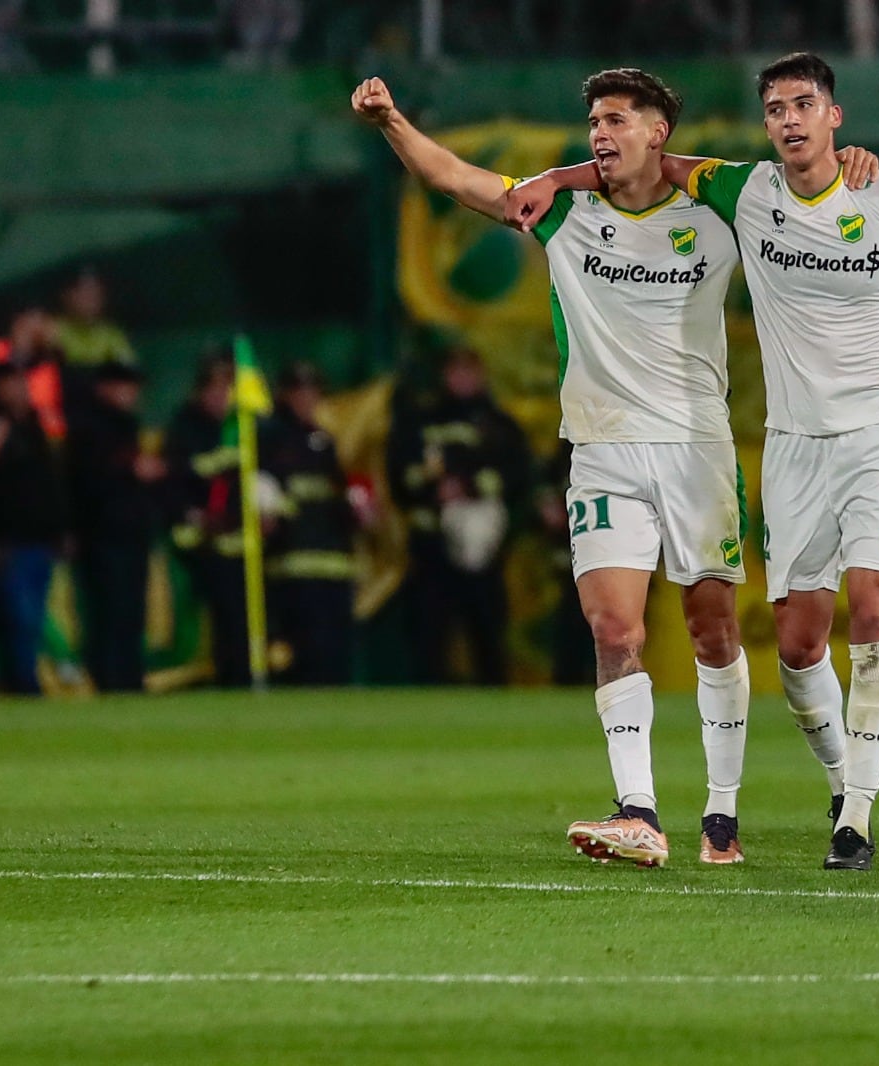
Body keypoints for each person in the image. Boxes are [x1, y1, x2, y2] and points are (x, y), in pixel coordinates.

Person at [510, 53, 879, 871]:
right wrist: (557, 180)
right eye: (776, 108)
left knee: (876, 612)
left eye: (805, 104)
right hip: (794, 443)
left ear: (835, 116)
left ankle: (857, 820)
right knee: (801, 643)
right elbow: (644, 164)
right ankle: (840, 778)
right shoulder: (745, 193)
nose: (790, 119)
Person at [357, 68, 753, 866]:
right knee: (614, 628)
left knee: (712, 630)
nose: (599, 134)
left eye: (616, 120)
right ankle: (638, 811)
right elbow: (457, 180)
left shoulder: (718, 213)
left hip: (696, 448)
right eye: (593, 122)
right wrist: (393, 122)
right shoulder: (562, 210)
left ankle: (722, 812)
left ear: (657, 132)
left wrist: (856, 168)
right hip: (603, 451)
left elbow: (796, 184)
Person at [385, 346, 532, 687]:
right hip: (431, 543)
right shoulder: (421, 421)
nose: (462, 378)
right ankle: (427, 706)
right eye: (455, 370)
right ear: (443, 374)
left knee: (487, 630)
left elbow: (518, 478)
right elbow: (399, 476)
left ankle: (495, 704)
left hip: (483, 545)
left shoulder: (498, 425)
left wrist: (468, 486)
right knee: (429, 632)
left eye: (469, 370)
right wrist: (431, 491)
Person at [262, 362, 362, 686]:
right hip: (292, 564)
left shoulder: (323, 441)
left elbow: (335, 496)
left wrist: (356, 509)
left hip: (333, 561)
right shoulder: (270, 440)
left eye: (313, 392)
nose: (307, 399)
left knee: (334, 652)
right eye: (299, 392)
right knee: (302, 653)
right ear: (284, 395)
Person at [66, 360, 164, 692]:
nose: (132, 393)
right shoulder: (87, 426)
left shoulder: (126, 425)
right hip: (102, 536)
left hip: (131, 534)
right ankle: (109, 680)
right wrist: (130, 469)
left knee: (131, 612)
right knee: (109, 611)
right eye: (125, 385)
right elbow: (86, 481)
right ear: (104, 387)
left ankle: (129, 678)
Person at [0, 353, 69, 695]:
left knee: (29, 620)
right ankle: (20, 685)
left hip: (38, 537)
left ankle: (22, 681)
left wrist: (61, 528)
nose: (19, 388)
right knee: (17, 617)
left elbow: (49, 483)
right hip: (8, 540)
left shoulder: (33, 424)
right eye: (11, 381)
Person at [164, 354, 254, 688]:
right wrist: (195, 517)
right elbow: (174, 480)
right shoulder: (185, 428)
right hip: (200, 543)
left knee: (242, 617)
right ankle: (227, 678)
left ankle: (241, 678)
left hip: (241, 543)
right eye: (216, 389)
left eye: (228, 388)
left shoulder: (244, 427)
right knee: (218, 617)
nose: (222, 396)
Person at [54, 268, 136, 370]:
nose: (91, 300)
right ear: (67, 296)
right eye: (84, 292)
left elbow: (127, 371)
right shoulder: (53, 330)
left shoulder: (112, 335)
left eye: (95, 292)